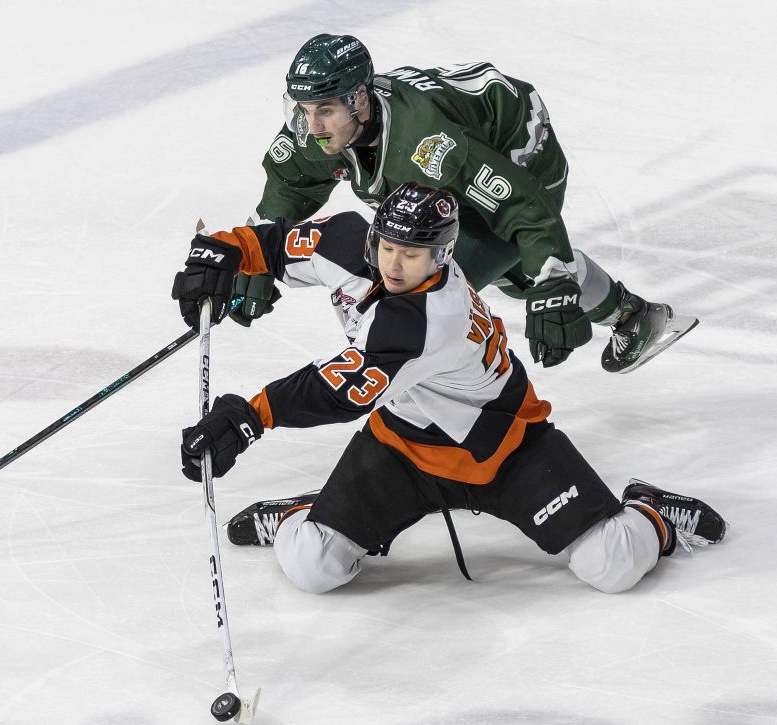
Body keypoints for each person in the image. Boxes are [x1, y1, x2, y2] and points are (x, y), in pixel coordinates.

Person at [174, 183, 726, 594]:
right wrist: (225, 249)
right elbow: (276, 244)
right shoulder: (350, 239)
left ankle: (649, 510)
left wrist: (248, 417)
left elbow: (338, 390)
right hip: (403, 447)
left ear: (441, 255)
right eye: (386, 246)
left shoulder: (427, 321)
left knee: (615, 564)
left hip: (505, 449)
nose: (393, 263)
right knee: (311, 567)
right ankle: (311, 511)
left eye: (411, 254)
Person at [244, 33, 697, 373]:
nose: (312, 123)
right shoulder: (318, 127)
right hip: (455, 154)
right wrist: (251, 255)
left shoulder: (427, 144)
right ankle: (632, 314)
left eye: (324, 109)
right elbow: (290, 185)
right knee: (495, 274)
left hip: (519, 147)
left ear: (359, 100)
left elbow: (521, 204)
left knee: (442, 283)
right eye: (302, 109)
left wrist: (554, 280)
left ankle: (626, 314)